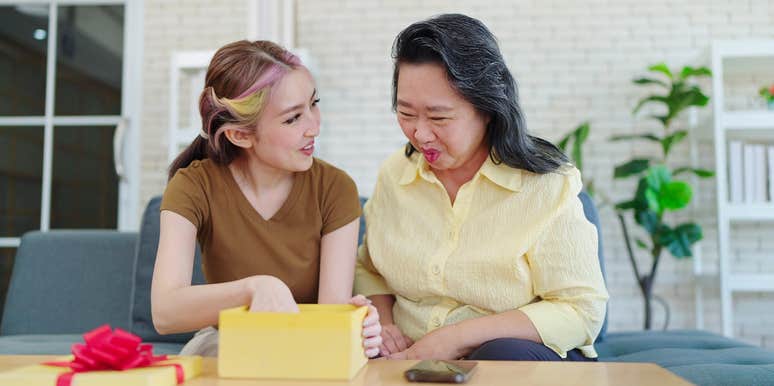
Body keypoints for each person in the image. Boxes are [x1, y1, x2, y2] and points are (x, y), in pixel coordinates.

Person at [355, 14, 608, 362]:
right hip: (410, 360)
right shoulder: (395, 175)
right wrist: (384, 327)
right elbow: (369, 270)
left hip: (520, 358)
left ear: (488, 108)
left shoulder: (545, 184)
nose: (420, 133)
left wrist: (454, 339)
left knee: (502, 355)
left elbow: (581, 311)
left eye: (439, 117)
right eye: (406, 113)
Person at [151, 40, 381, 358]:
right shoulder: (193, 186)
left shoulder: (335, 188)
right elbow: (165, 312)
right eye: (292, 118)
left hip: (307, 343)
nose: (314, 127)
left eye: (314, 104)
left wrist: (354, 323)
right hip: (228, 343)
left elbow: (331, 313)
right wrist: (255, 288)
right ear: (240, 135)